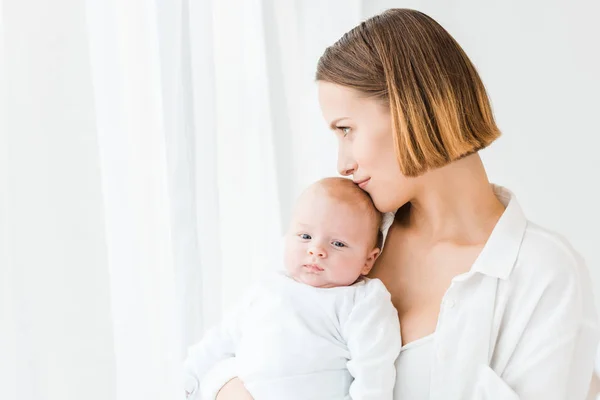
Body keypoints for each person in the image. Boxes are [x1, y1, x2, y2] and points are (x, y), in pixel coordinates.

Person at [204, 8, 600, 400]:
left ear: (410, 108)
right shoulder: (345, 233)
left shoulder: (541, 274)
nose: (343, 164)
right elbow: (224, 351)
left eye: (346, 129)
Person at [184, 178, 401, 400]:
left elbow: (373, 375)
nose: (316, 250)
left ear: (368, 260)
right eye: (305, 237)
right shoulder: (267, 289)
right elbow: (218, 343)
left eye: (338, 243)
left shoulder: (361, 301)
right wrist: (190, 379)